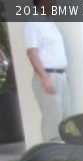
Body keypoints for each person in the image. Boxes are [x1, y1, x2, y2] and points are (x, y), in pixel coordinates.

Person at [24, 0, 69, 141]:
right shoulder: (33, 23)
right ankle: (53, 160)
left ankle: (64, 157)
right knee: (53, 123)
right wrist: (45, 78)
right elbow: (32, 53)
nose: (55, 3)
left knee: (64, 121)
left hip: (59, 76)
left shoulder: (49, 22)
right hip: (48, 77)